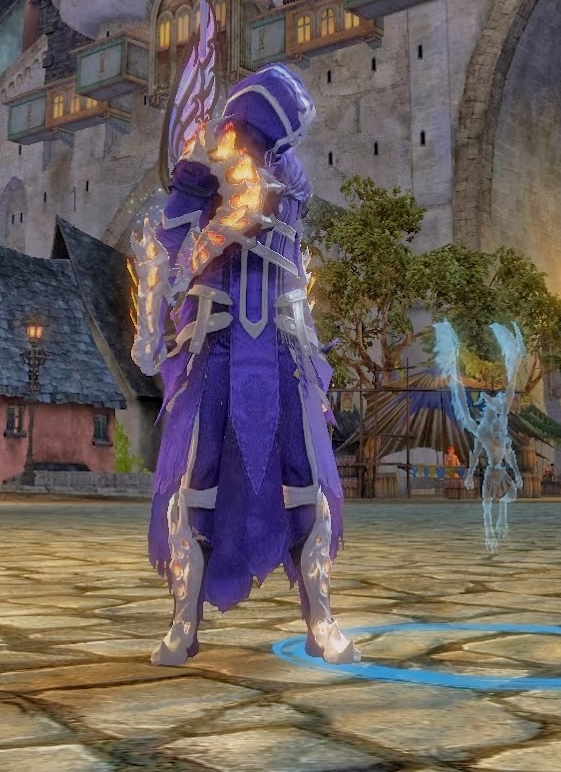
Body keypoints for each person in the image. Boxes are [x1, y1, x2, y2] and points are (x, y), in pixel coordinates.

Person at [136, 49, 357, 667]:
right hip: (217, 341)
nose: (259, 146)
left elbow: (277, 229)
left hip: (282, 343)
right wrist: (154, 318)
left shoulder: (290, 175)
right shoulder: (203, 167)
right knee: (195, 476)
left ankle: (320, 618)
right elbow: (165, 247)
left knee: (306, 477)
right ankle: (184, 621)